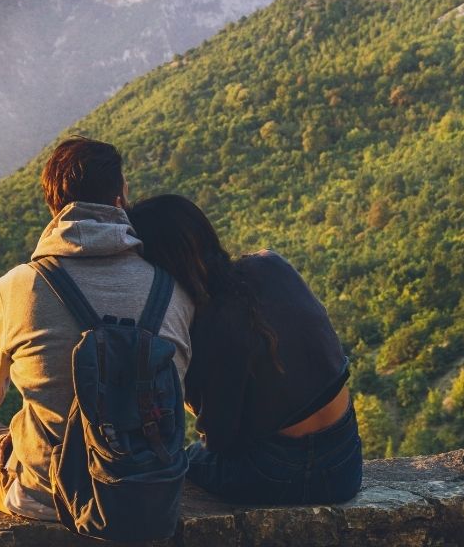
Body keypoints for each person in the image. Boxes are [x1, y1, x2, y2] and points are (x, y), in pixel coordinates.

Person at [0, 137, 195, 519]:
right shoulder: (173, 289)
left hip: (47, 493)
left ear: (53, 205)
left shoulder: (19, 286)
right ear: (120, 197)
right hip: (149, 491)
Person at [127, 194, 361, 504]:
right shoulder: (271, 264)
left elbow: (220, 442)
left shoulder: (210, 324)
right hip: (347, 460)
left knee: (180, 461)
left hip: (281, 472)